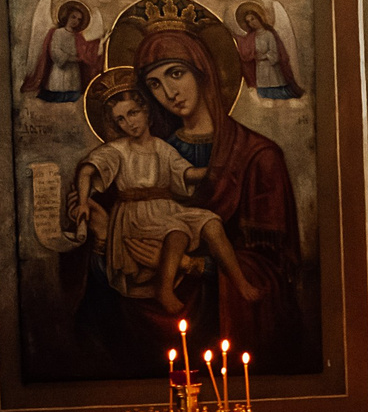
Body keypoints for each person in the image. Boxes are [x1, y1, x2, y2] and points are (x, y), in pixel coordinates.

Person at [132, 10, 297, 358]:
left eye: (176, 73)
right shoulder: (152, 156)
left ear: (202, 70)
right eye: (155, 84)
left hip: (218, 310)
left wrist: (189, 265)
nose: (169, 93)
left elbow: (273, 269)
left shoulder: (258, 157)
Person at [66, 72, 262, 316]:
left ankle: (240, 282)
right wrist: (83, 202)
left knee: (211, 222)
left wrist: (215, 169)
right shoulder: (117, 150)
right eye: (121, 120)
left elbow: (186, 173)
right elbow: (87, 170)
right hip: (136, 215)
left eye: (133, 113)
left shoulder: (162, 148)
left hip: (166, 210)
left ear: (146, 112)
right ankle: (165, 289)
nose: (129, 123)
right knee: (177, 231)